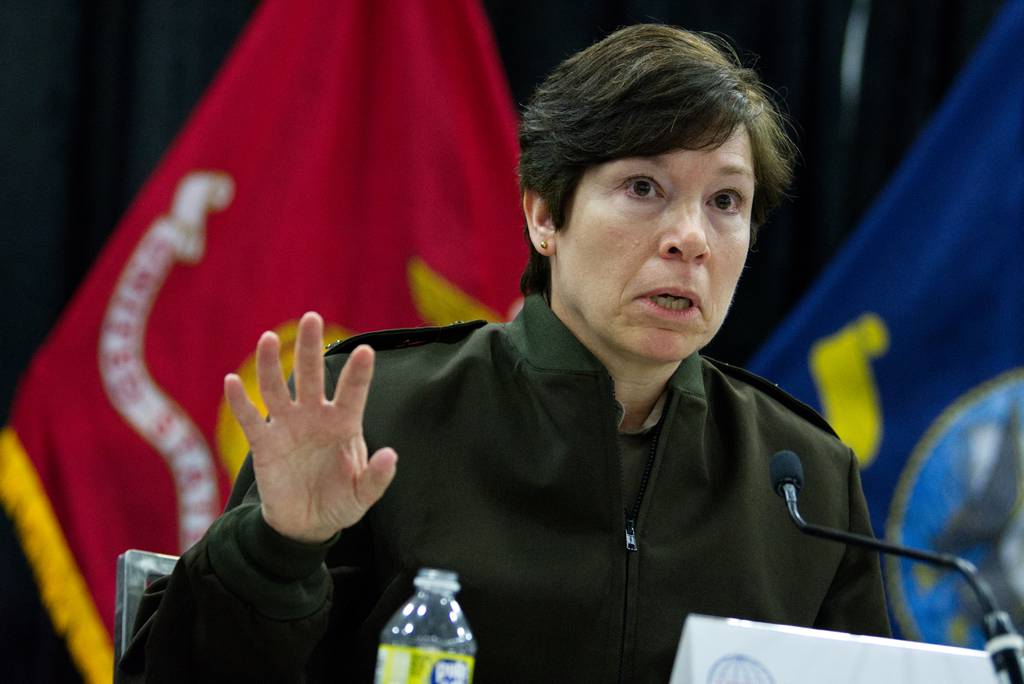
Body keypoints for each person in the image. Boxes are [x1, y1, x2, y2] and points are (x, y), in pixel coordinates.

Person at [119, 24, 890, 683]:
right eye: (644, 187)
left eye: (726, 201)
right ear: (544, 215)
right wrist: (277, 550)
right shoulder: (373, 417)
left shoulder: (803, 479)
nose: (689, 237)